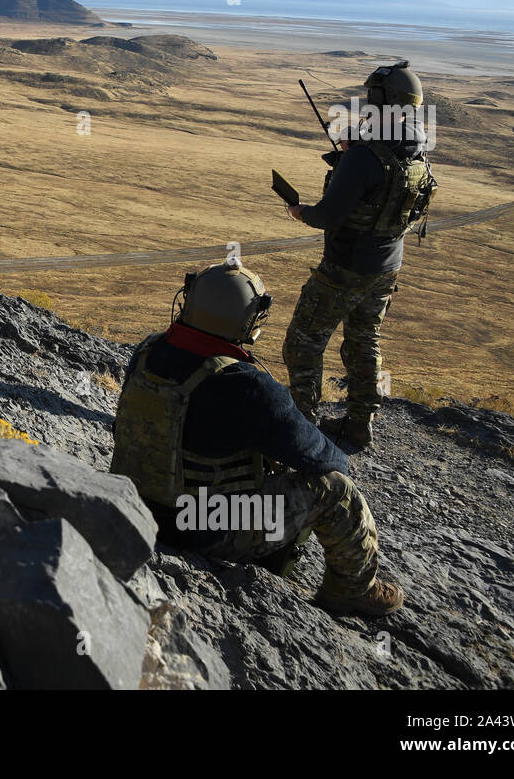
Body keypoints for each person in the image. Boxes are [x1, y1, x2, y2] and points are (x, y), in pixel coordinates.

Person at [112, 261, 404, 616]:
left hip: (133, 506)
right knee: (336, 489)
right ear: (247, 322)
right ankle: (353, 590)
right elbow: (326, 460)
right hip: (200, 529)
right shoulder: (248, 386)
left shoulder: (147, 351)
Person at [283, 61, 437, 449]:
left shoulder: (364, 156)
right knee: (363, 342)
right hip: (387, 268)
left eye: (372, 97)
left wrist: (301, 212)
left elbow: (328, 215)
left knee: (302, 344)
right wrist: (355, 155)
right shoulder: (418, 151)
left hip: (345, 267)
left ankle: (300, 429)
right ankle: (359, 425)